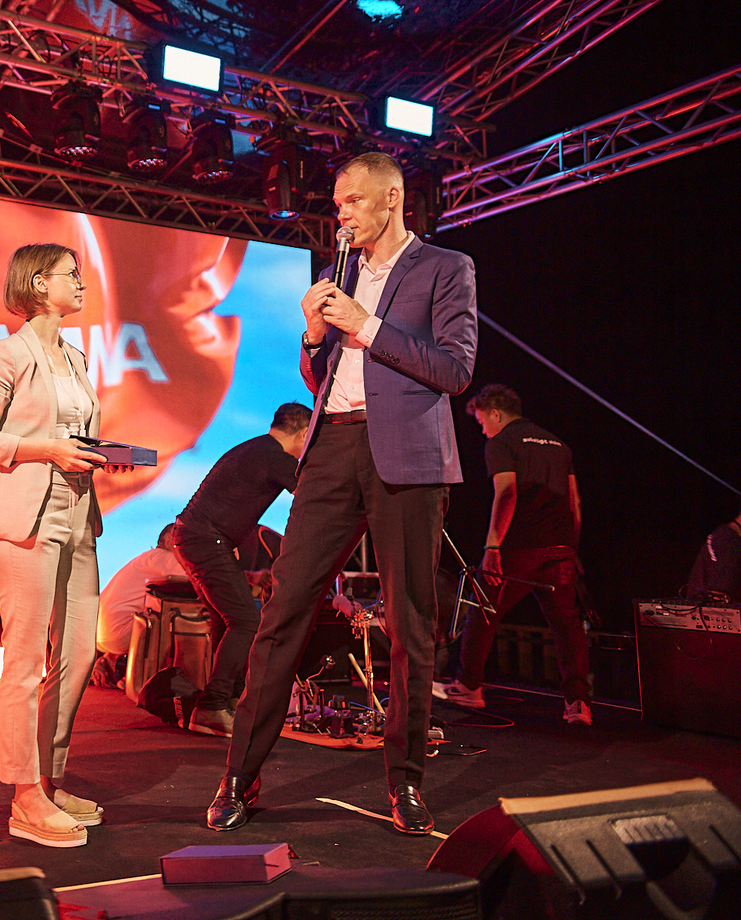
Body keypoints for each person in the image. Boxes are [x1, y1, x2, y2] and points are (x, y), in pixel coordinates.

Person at [205, 152, 477, 837]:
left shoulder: (446, 267)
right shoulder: (340, 273)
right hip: (331, 448)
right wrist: (314, 335)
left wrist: (366, 324)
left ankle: (405, 782)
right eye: (337, 205)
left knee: (410, 623)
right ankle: (238, 776)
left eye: (353, 201)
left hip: (407, 456)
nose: (343, 215)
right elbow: (321, 376)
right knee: (282, 608)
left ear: (392, 199)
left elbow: (456, 370)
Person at [0, 242, 131, 850]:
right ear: (37, 283)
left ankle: (50, 781)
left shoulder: (75, 356)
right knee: (25, 661)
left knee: (78, 655)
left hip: (79, 513)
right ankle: (24, 795)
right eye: (70, 275)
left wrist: (100, 454)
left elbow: (74, 434)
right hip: (28, 516)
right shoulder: (7, 353)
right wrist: (48, 450)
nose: (81, 283)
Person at [434, 385, 592, 725]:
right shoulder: (559, 445)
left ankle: (469, 686)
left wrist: (492, 547)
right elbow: (575, 502)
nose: (482, 430)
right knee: (567, 626)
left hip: (519, 548)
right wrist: (571, 547)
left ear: (495, 413)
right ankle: (578, 703)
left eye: (481, 422)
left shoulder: (502, 442)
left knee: (482, 607)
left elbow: (507, 493)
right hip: (560, 548)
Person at [172, 403, 311, 737]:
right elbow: (312, 491)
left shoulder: (254, 448)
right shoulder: (274, 456)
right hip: (206, 540)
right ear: (304, 433)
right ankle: (212, 706)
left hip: (193, 537)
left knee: (227, 621)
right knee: (245, 622)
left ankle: (225, 703)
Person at [95, 524, 188, 658]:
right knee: (179, 622)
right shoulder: (160, 557)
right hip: (119, 632)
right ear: (169, 541)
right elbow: (194, 574)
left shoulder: (147, 559)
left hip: (101, 636)